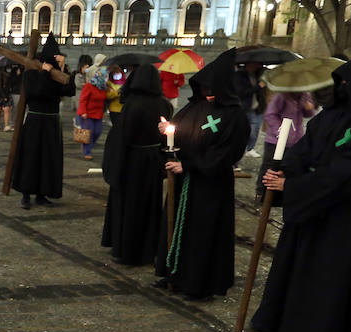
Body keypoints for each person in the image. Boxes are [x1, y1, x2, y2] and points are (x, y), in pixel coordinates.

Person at [250, 54, 351, 332]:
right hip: (310, 205)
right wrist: (285, 172)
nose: (341, 86)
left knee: (329, 274)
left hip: (344, 210)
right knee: (298, 265)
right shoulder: (330, 115)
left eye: (346, 81)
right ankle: (285, 326)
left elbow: (346, 174)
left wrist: (294, 187)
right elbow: (302, 150)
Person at [155, 48, 250, 298]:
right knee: (175, 227)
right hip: (184, 179)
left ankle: (200, 282)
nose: (207, 95)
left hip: (210, 184)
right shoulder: (193, 107)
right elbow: (178, 133)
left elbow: (227, 152)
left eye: (212, 89)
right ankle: (172, 273)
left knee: (203, 234)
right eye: (204, 89)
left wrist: (190, 166)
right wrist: (167, 132)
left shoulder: (234, 116)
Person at [101, 65, 172, 265]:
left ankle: (127, 250)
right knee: (149, 205)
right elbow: (168, 135)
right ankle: (147, 247)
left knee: (129, 205)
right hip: (153, 160)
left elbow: (122, 136)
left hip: (132, 160)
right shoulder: (164, 104)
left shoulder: (133, 104)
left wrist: (114, 164)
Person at [10, 38, 77, 208]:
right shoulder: (32, 73)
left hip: (52, 122)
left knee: (48, 159)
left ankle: (42, 193)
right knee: (31, 158)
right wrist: (46, 74)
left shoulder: (58, 73)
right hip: (35, 120)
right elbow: (37, 92)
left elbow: (69, 90)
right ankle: (26, 194)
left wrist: (62, 69)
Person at [254, 88, 315, 200]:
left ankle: (279, 194)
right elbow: (270, 114)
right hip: (276, 140)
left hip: (295, 140)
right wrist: (280, 131)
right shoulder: (282, 96)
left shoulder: (304, 96)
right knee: (269, 166)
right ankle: (261, 192)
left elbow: (308, 114)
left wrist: (309, 108)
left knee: (288, 166)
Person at [234, 61, 266, 162]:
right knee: (243, 132)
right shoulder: (239, 76)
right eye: (255, 64)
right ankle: (238, 152)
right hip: (244, 108)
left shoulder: (257, 75)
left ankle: (250, 148)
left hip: (256, 108)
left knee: (255, 130)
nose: (257, 66)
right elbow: (242, 92)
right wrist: (258, 86)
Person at [75, 65, 108, 159]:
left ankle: (87, 146)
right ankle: (87, 152)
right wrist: (83, 112)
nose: (105, 78)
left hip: (98, 114)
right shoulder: (89, 85)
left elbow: (106, 99)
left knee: (98, 132)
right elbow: (83, 99)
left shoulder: (103, 87)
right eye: (104, 76)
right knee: (90, 133)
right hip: (87, 114)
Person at [0, 62, 15, 131]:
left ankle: (6, 125)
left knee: (7, 110)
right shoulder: (0, 74)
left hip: (8, 94)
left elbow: (11, 84)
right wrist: (3, 96)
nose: (9, 68)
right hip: (0, 95)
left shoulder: (11, 74)